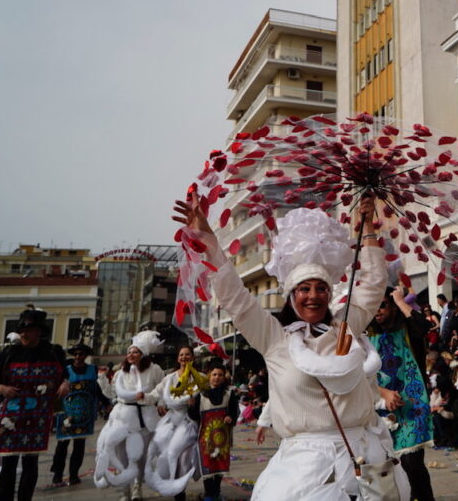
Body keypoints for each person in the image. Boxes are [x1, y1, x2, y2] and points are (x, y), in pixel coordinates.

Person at [173, 194, 409, 500]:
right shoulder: (274, 337)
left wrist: (368, 229)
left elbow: (375, 282)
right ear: (291, 294)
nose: (314, 296)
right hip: (304, 469)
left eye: (321, 288)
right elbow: (235, 297)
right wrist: (209, 239)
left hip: (366, 462)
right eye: (304, 289)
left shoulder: (345, 329)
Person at [0, 308, 69, 501]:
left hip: (36, 417)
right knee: (9, 463)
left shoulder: (52, 353)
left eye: (28, 330)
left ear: (39, 332)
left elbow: (63, 374)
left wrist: (65, 382)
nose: (23, 334)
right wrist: (1, 388)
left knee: (31, 463)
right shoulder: (9, 354)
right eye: (21, 330)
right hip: (10, 415)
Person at [369, 287, 435, 500]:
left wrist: (399, 300)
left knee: (412, 464)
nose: (377, 311)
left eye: (383, 305)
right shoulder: (366, 333)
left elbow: (425, 326)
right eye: (374, 306)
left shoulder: (408, 327)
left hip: (411, 405)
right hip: (379, 405)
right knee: (384, 465)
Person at [94, 330, 166, 501]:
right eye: (129, 352)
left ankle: (137, 487)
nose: (130, 354)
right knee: (121, 455)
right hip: (123, 417)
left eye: (135, 351)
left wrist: (160, 403)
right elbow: (112, 394)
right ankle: (124, 489)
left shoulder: (154, 369)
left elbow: (162, 388)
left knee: (140, 455)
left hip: (145, 418)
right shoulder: (121, 372)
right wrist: (102, 379)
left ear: (143, 354)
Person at [145, 344, 204, 500]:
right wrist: (147, 399)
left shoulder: (201, 377)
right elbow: (156, 394)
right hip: (171, 422)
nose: (184, 358)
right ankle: (177, 491)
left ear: (193, 357)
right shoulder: (169, 378)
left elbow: (210, 396)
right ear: (178, 359)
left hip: (189, 422)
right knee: (166, 453)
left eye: (187, 355)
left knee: (182, 457)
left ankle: (178, 487)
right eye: (181, 355)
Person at [186, 361, 238, 501]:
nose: (217, 377)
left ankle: (216, 492)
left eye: (220, 375)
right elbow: (194, 417)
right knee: (208, 468)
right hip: (206, 439)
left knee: (220, 467)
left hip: (223, 439)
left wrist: (230, 418)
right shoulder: (201, 395)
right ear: (209, 376)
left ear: (224, 377)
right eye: (214, 374)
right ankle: (209, 495)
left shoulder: (229, 394)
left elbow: (235, 411)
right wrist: (190, 407)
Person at [51, 343, 98, 487]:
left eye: (81, 354)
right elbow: (56, 392)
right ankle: (57, 475)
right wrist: (55, 411)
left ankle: (74, 474)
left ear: (86, 356)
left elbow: (96, 389)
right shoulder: (66, 371)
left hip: (84, 415)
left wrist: (104, 404)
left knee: (79, 446)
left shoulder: (93, 369)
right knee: (62, 445)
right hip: (66, 414)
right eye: (76, 354)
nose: (78, 357)